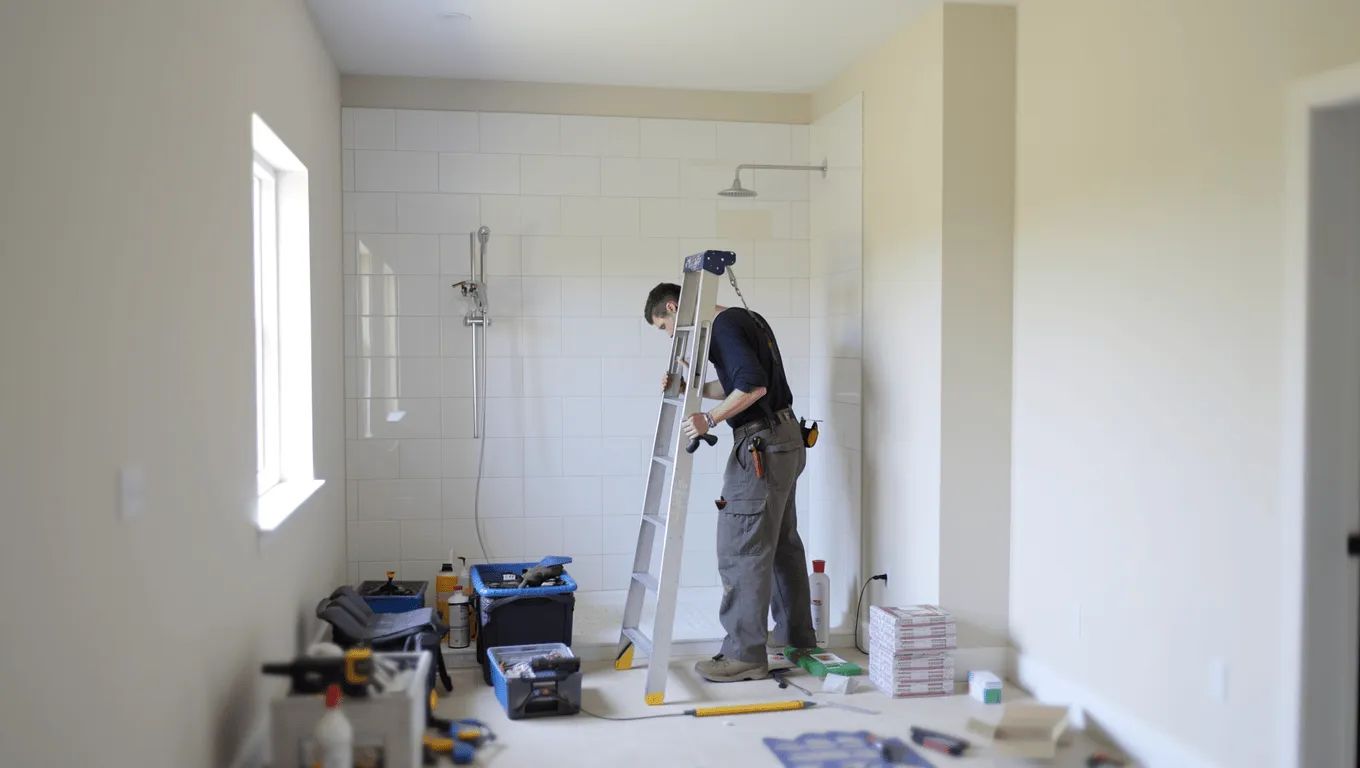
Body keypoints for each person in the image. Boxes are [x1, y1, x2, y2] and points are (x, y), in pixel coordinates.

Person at [643, 282, 816, 682]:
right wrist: (693, 390)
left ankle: (743, 654)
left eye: (664, 325)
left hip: (761, 446)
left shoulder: (722, 327)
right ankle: (795, 637)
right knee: (781, 544)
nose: (669, 335)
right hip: (786, 438)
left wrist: (710, 418)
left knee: (742, 547)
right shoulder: (744, 319)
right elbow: (739, 381)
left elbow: (754, 386)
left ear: (673, 307)